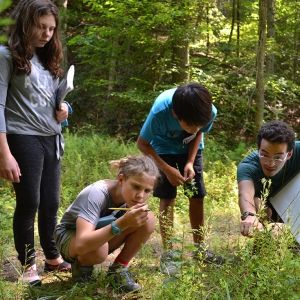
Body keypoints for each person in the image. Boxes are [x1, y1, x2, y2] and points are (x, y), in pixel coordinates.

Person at [0, 0, 72, 286]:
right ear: (26, 23)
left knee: (51, 202)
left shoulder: (47, 60)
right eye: (41, 27)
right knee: (29, 201)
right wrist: (4, 153)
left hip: (51, 138)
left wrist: (66, 110)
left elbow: (56, 101)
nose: (46, 34)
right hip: (22, 137)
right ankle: (28, 264)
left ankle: (52, 257)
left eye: (51, 29)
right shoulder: (5, 56)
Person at [136, 82, 224, 276]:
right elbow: (142, 144)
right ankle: (169, 254)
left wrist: (190, 162)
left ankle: (200, 249)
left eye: (198, 123)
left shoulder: (208, 111)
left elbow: (199, 132)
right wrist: (167, 170)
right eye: (190, 124)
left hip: (191, 151)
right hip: (161, 151)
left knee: (197, 196)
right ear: (176, 115)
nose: (194, 128)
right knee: (167, 198)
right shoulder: (160, 112)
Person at [54, 155, 160, 293]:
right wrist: (121, 224)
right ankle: (82, 271)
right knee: (99, 249)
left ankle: (118, 270)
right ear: (121, 179)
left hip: (99, 234)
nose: (140, 195)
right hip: (70, 237)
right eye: (136, 186)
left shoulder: (131, 197)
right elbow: (81, 242)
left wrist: (124, 223)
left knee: (148, 219)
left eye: (147, 191)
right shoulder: (96, 193)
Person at [237, 120, 300, 237]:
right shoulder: (248, 166)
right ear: (258, 149)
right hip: (267, 206)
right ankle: (266, 238)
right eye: (264, 154)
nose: (270, 163)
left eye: (278, 157)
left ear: (289, 154)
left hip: (294, 199)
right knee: (260, 206)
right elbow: (245, 194)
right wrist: (250, 215)